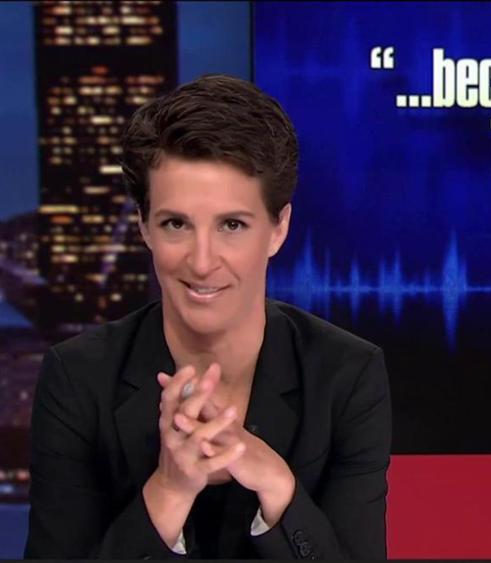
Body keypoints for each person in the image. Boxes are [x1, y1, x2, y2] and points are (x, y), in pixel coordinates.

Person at [24, 74, 391, 559]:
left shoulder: (346, 375)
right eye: (175, 223)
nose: (201, 262)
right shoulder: (78, 378)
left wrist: (278, 488)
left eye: (232, 225)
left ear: (278, 228)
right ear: (144, 227)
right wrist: (169, 491)